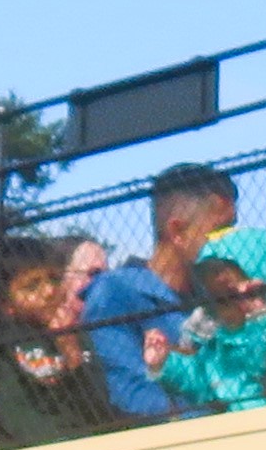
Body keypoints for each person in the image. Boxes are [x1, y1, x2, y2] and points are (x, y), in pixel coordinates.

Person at [89, 166, 244, 412]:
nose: (231, 240)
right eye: (219, 231)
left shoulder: (217, 296)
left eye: (233, 229)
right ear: (178, 231)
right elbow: (131, 393)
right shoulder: (115, 291)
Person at [0, 233, 131, 450]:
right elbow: (14, 414)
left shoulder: (74, 333)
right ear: (5, 304)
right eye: (31, 286)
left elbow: (99, 406)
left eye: (54, 280)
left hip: (87, 447)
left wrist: (72, 352)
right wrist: (62, 445)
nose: (48, 292)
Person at [155, 227, 266, 412]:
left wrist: (261, 318)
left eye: (225, 270)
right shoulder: (219, 341)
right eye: (210, 275)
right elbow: (204, 382)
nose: (219, 280)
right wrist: (166, 363)